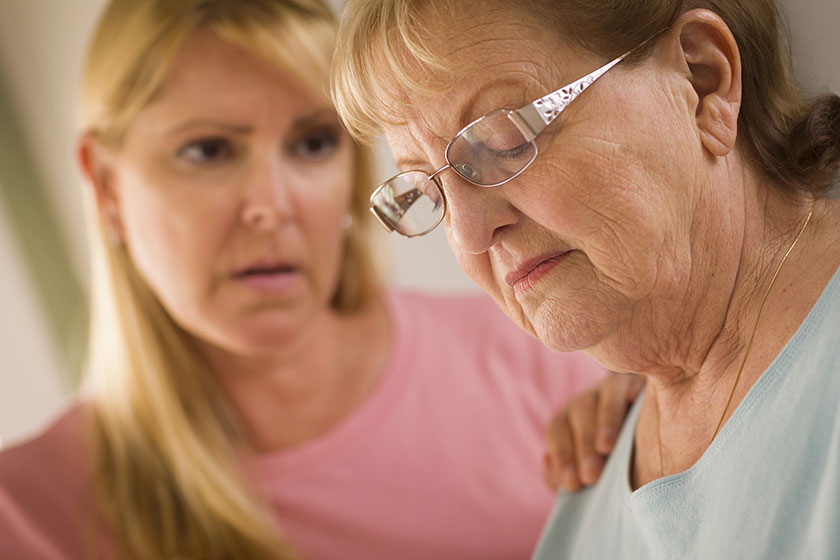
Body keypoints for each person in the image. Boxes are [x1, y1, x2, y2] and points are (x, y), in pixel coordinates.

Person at [0, 1, 639, 559]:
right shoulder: (27, 516)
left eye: (311, 144)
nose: (273, 205)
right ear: (107, 187)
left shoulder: (548, 354)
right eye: (209, 151)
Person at [333, 0, 840, 557]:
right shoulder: (595, 457)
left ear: (702, 80)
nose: (471, 236)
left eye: (505, 141)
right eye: (427, 191)